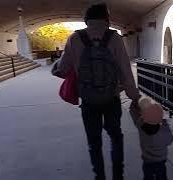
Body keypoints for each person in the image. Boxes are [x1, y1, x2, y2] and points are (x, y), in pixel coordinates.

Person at [52, 3, 140, 180]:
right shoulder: (114, 38)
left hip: (89, 101)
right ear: (106, 19)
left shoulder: (75, 38)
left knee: (94, 142)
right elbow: (125, 71)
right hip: (111, 98)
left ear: (87, 19)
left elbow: (62, 69)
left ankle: (99, 176)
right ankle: (118, 175)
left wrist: (55, 67)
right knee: (116, 137)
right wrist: (134, 96)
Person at [130, 96, 173, 180]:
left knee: (148, 177)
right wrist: (165, 125)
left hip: (147, 161)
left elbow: (134, 114)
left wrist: (134, 103)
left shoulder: (141, 126)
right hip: (161, 161)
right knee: (161, 177)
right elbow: (170, 140)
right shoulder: (164, 131)